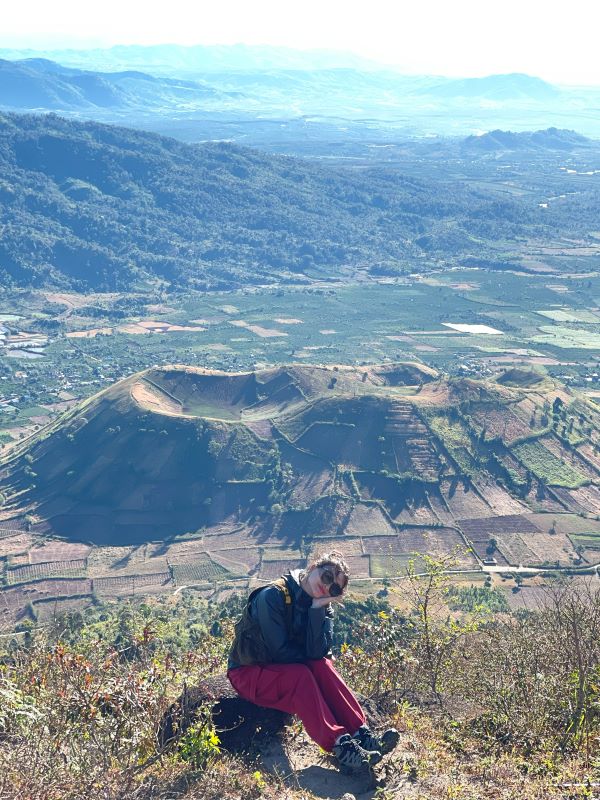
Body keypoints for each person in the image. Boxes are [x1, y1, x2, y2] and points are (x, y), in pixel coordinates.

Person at [227, 551, 399, 774]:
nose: (327, 587)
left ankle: (361, 735)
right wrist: (313, 662)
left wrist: (318, 609)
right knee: (304, 673)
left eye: (334, 589)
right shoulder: (273, 596)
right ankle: (340, 745)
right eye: (326, 577)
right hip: (248, 673)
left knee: (322, 666)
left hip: (280, 670)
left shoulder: (321, 604)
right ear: (312, 567)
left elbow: (317, 654)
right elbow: (279, 652)